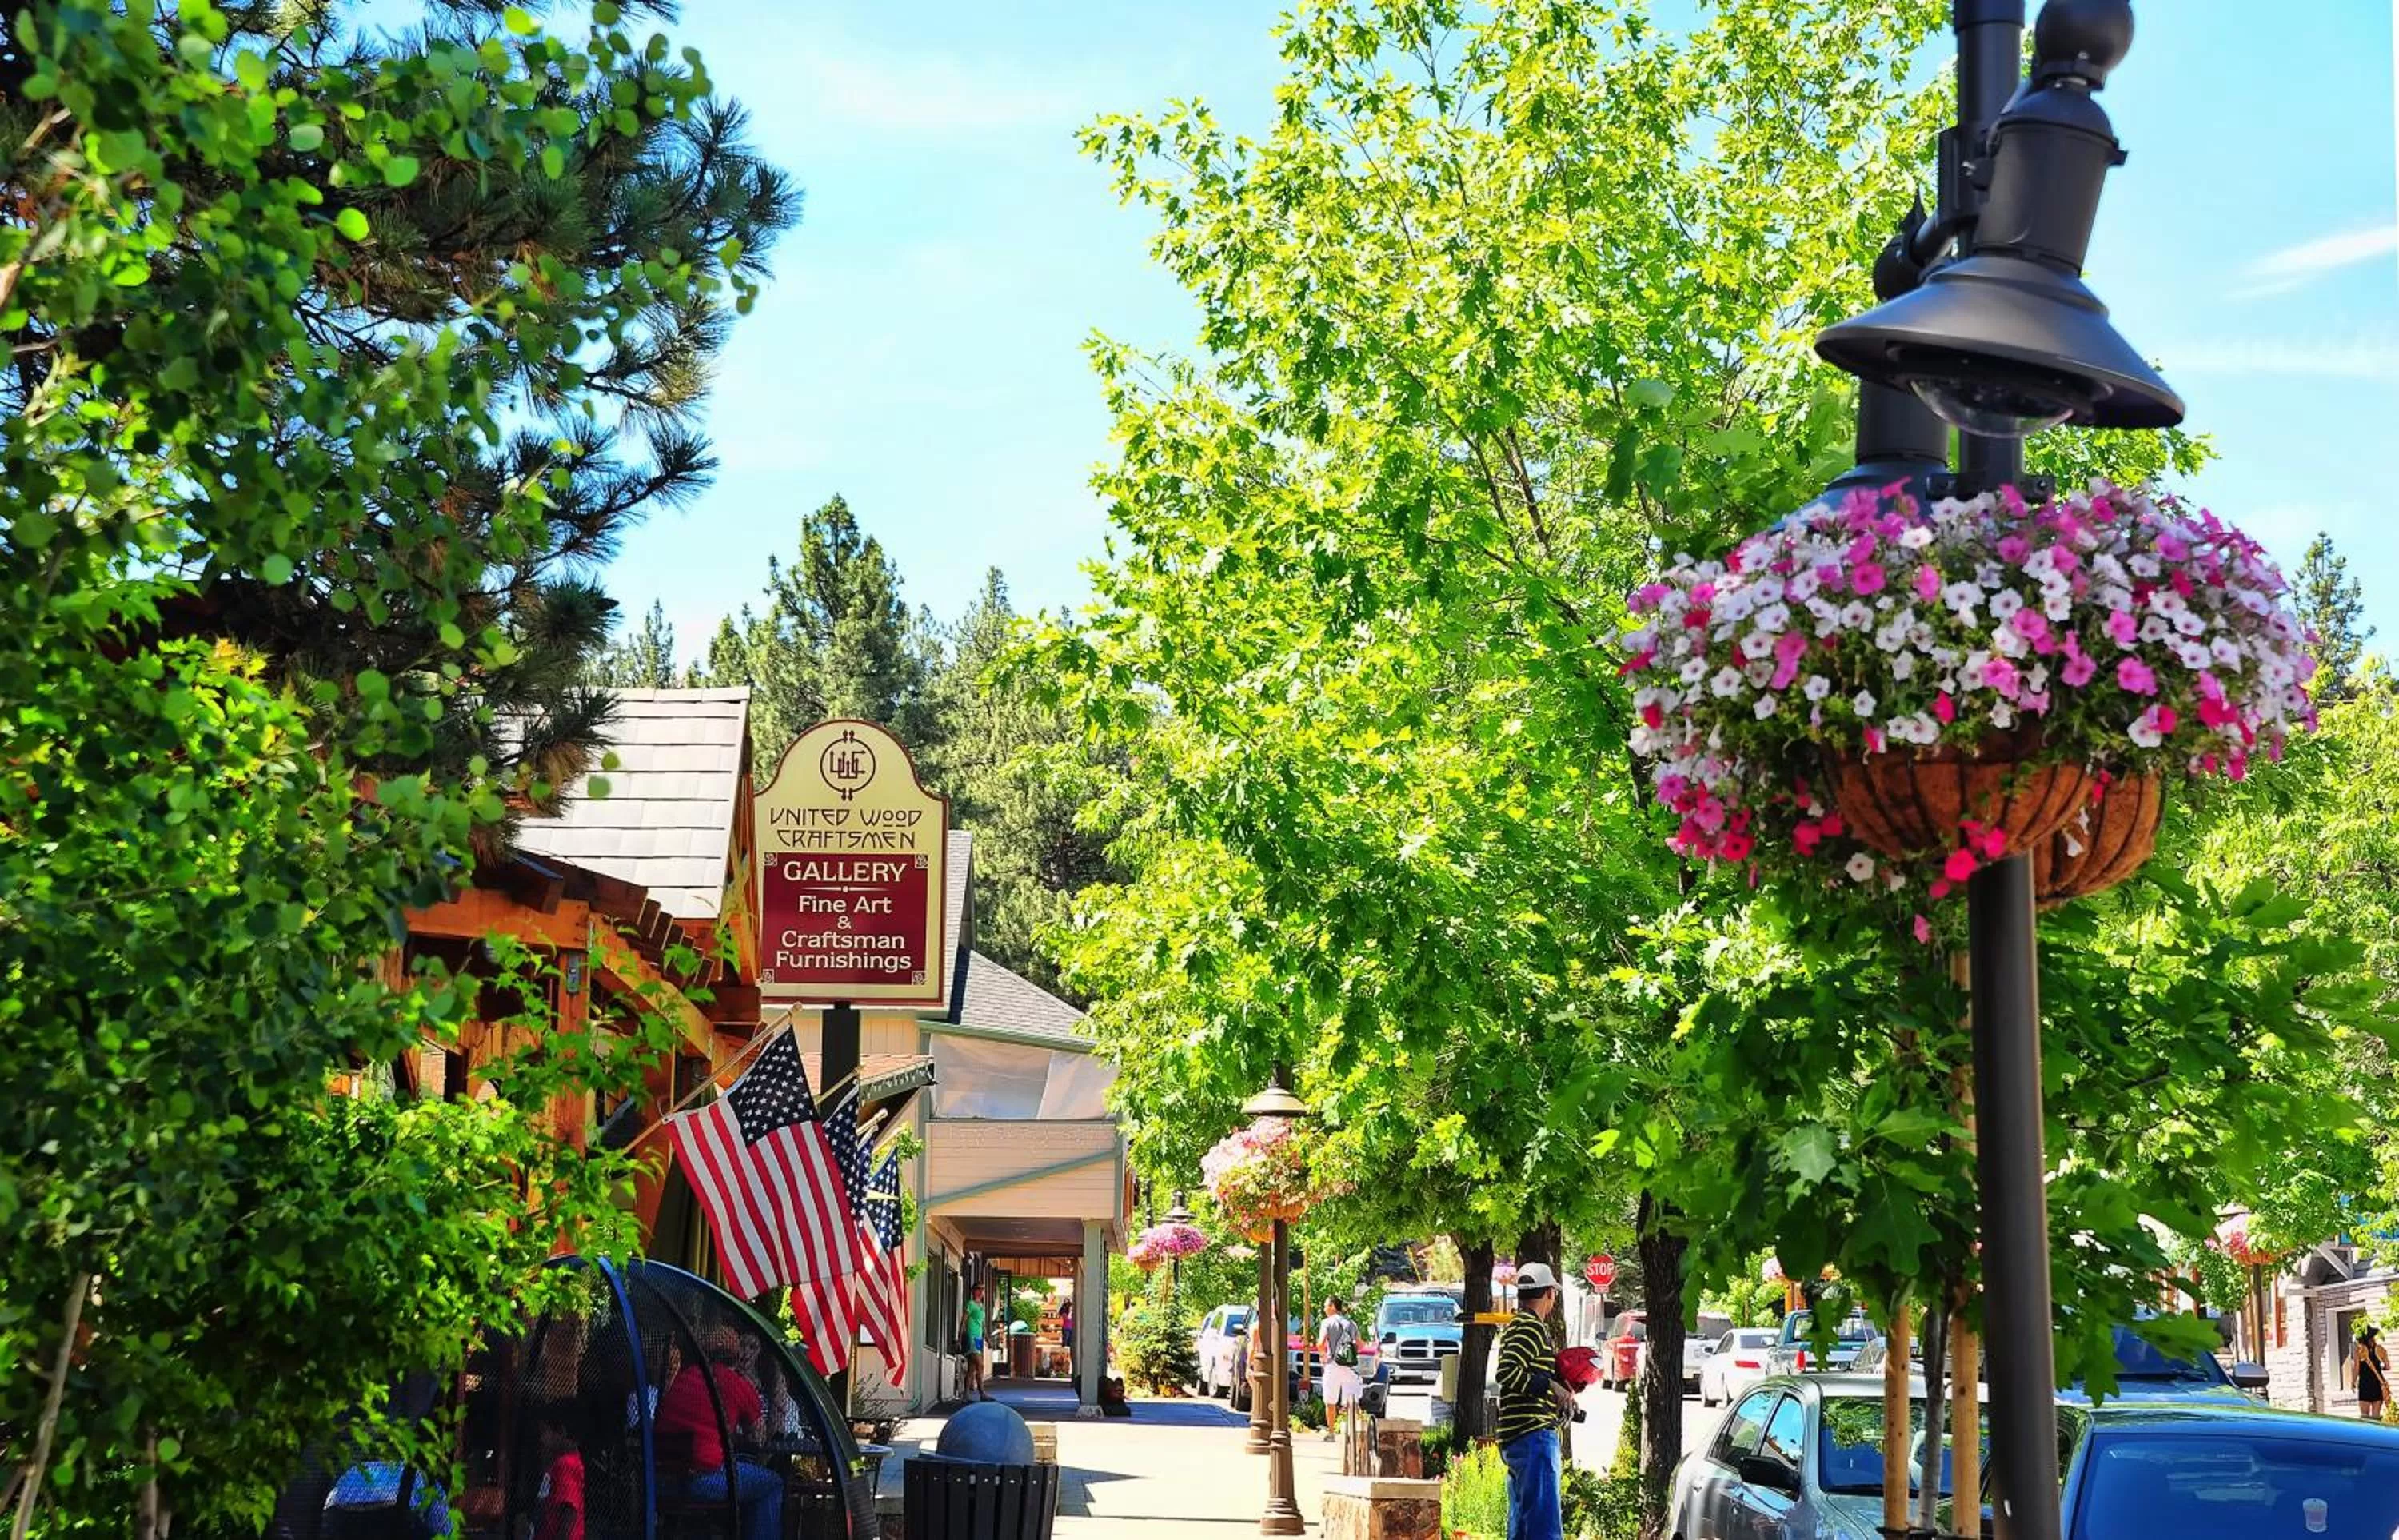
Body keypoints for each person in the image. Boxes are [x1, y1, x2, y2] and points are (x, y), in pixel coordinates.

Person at [656, 1327, 782, 1539]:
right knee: (771, 1483)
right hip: (701, 1481)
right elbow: (758, 1438)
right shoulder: (740, 1386)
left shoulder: (685, 1377)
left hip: (661, 1480)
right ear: (737, 1355)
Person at [1495, 1263, 1578, 1540]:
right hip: (1532, 1437)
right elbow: (1507, 1373)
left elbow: (1523, 1376)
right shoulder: (1529, 1327)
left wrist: (1555, 1389)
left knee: (1521, 1529)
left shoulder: (1520, 1326)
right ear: (1549, 1294)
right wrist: (1551, 1386)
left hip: (1520, 1436)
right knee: (1544, 1529)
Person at [530, 1418, 586, 1540]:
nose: (541, 1439)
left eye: (544, 1432)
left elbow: (569, 1513)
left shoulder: (566, 1464)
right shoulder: (556, 1464)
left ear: (560, 1432)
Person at [1318, 1297, 1363, 1442]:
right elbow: (1360, 1345)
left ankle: (1331, 1433)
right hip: (1349, 1366)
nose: (1324, 1309)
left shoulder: (1327, 1323)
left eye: (1326, 1306)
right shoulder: (1351, 1324)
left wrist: (1323, 1356)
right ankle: (1353, 1433)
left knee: (1330, 1400)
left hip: (1333, 1364)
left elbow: (1320, 1343)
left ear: (1332, 1306)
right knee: (1352, 1401)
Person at [2356, 1323, 2389, 1420]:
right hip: (2377, 1384)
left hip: (2365, 1384)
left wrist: (2353, 1382)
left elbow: (2356, 1369)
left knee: (2365, 1417)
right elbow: (2388, 1367)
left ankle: (2366, 1435)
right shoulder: (2381, 1349)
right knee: (2376, 1417)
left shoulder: (2360, 1350)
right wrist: (2380, 1368)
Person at [964, 1288, 992, 1402]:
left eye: (983, 1290)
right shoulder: (971, 1304)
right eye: (978, 1289)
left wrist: (988, 1339)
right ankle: (982, 1393)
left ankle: (965, 1395)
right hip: (972, 1336)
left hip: (979, 1338)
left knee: (972, 1368)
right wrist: (960, 1336)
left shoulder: (981, 1306)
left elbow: (983, 1325)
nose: (980, 1292)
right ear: (973, 1291)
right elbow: (963, 1320)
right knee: (980, 1365)